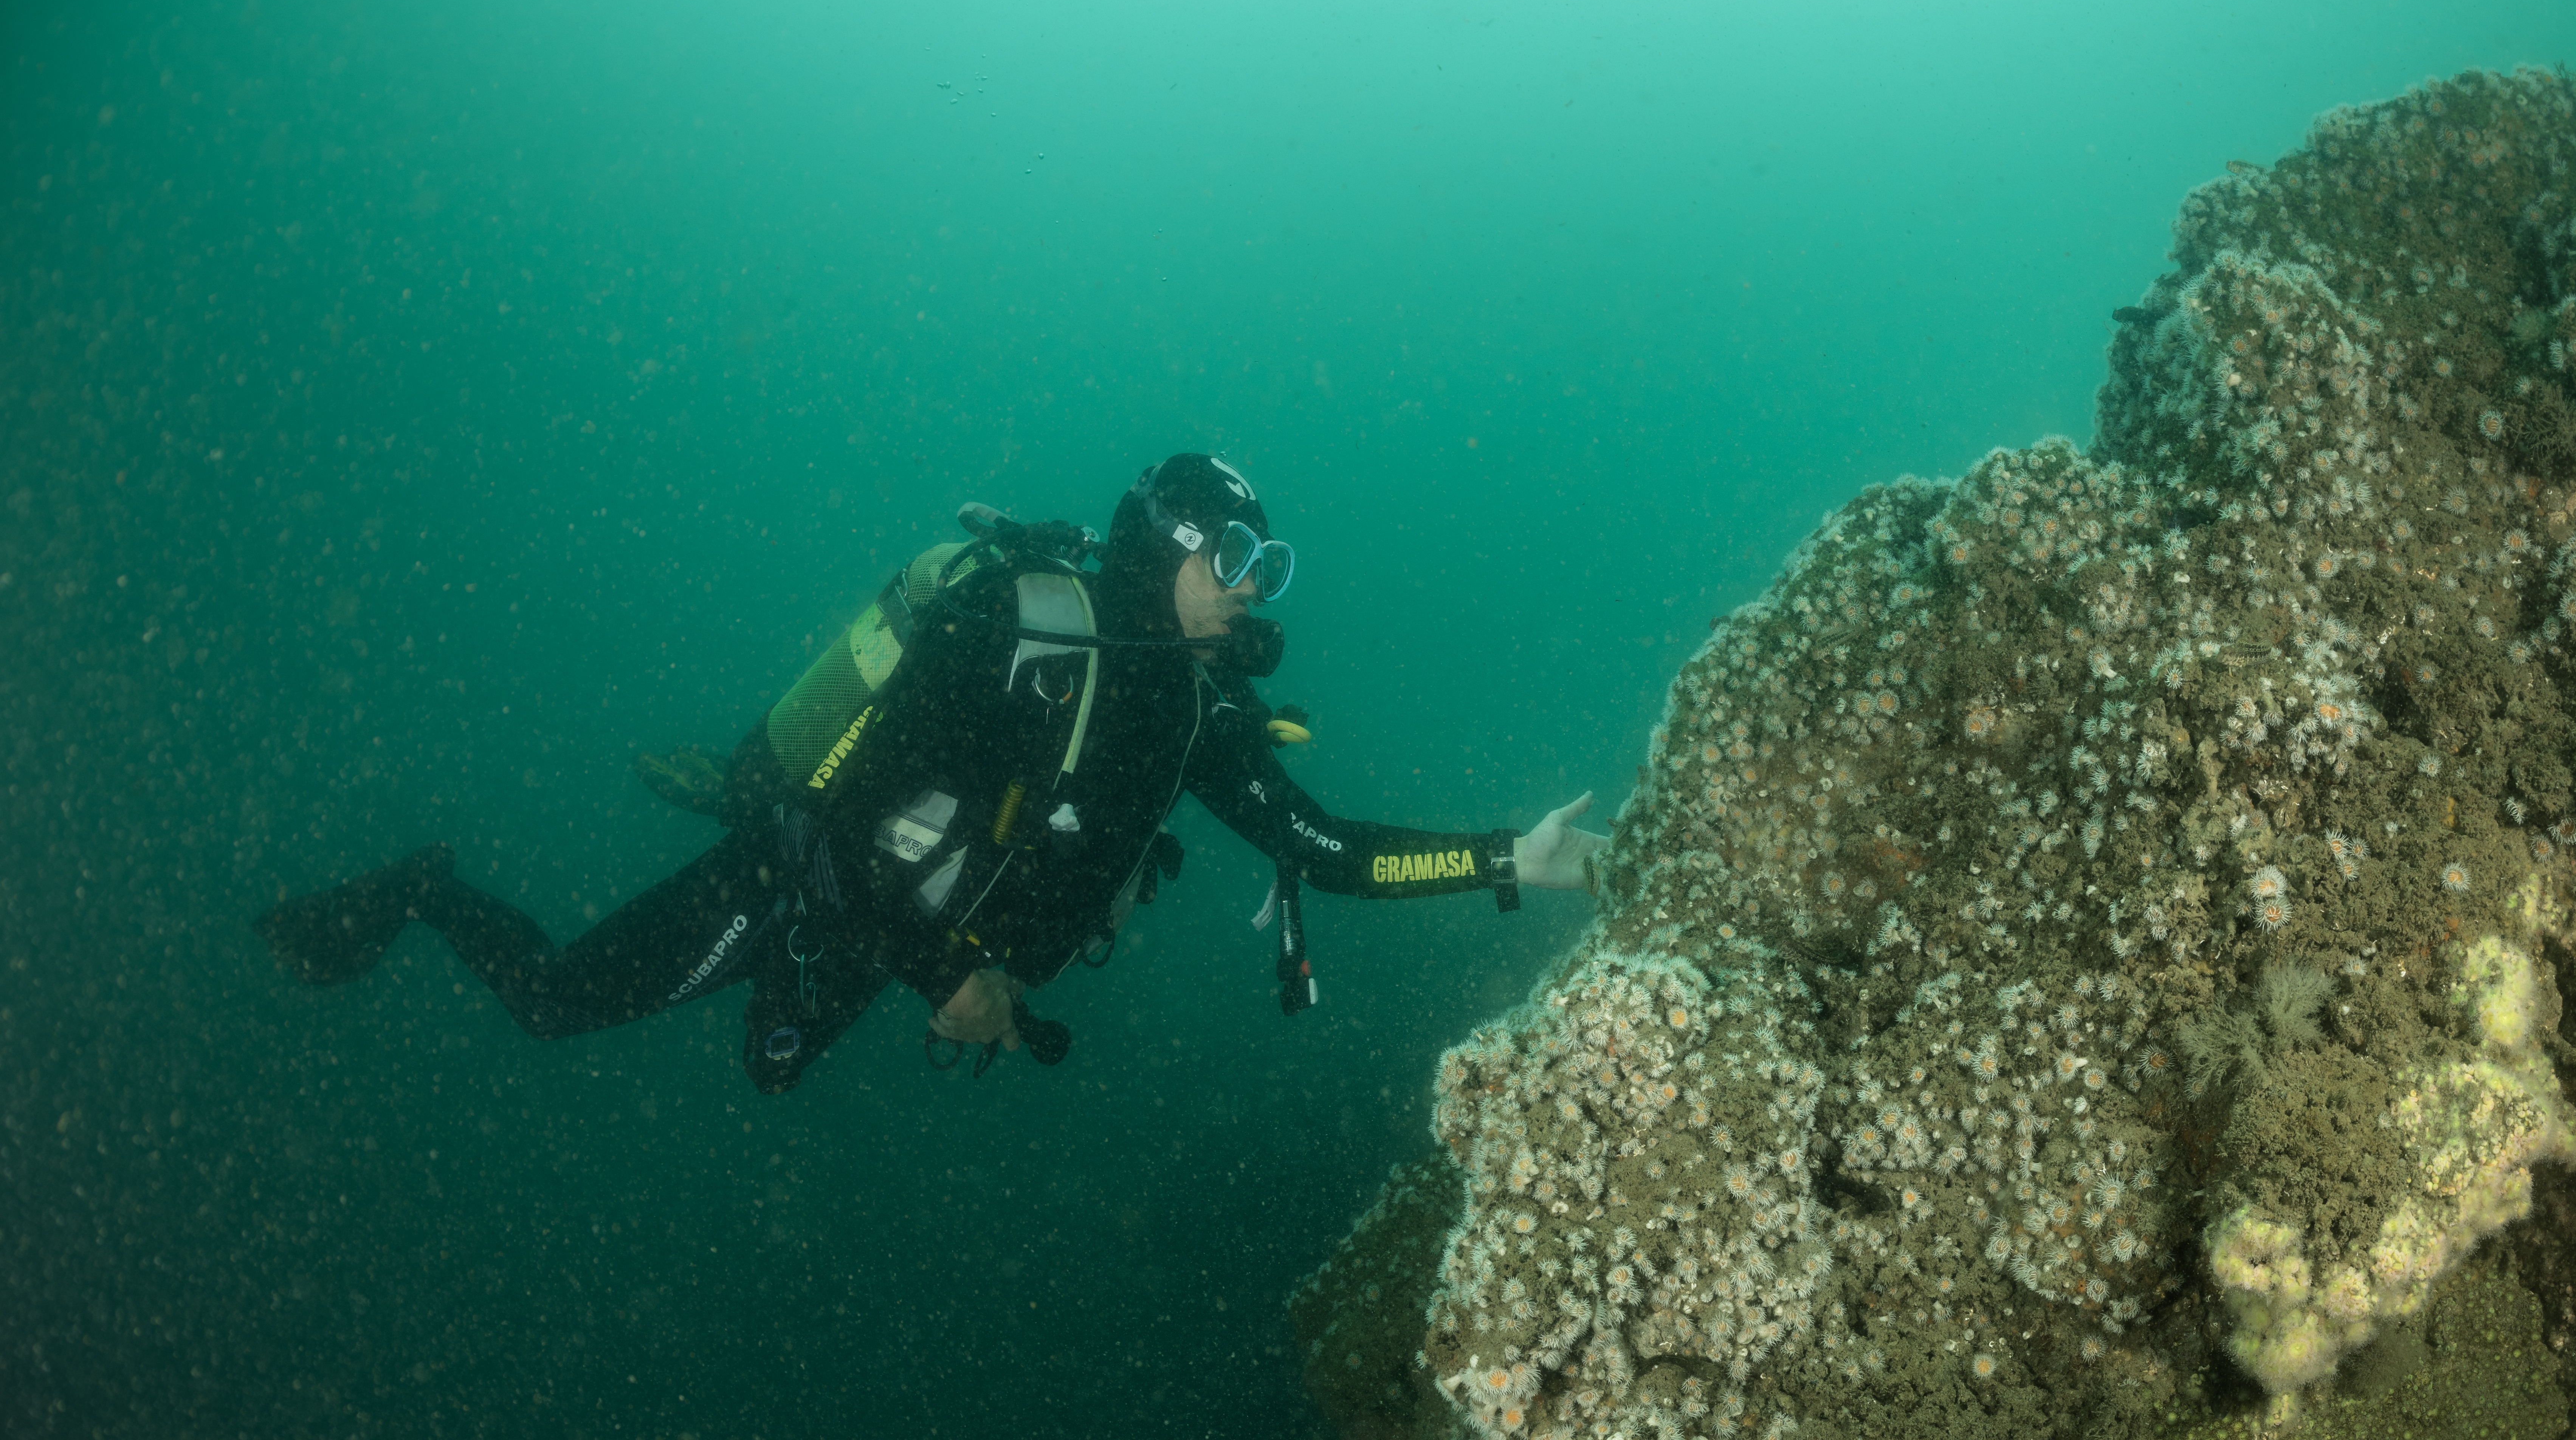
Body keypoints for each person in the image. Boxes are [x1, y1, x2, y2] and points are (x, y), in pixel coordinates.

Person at [254, 454, 1603, 1091]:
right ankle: (421, 887)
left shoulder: (1193, 715)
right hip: (805, 881)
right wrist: (951, 976)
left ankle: (801, 999)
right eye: (1231, 562)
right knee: (554, 1006)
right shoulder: (1015, 638)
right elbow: (824, 817)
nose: (1248, 594)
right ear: (1166, 546)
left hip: (904, 931)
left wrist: (1504, 859)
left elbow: (1326, 851)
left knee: (770, 1067)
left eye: (1261, 572)